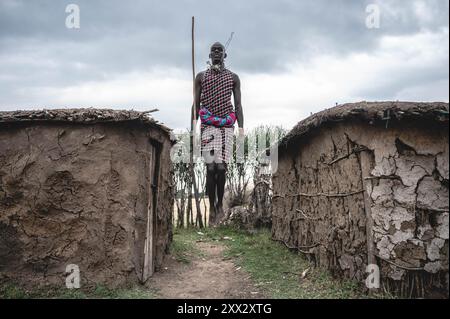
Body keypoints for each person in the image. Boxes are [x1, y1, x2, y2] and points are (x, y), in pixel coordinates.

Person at [193, 41, 244, 225]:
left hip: (226, 124)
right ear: (209, 55)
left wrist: (241, 128)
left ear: (225, 55)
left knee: (221, 167)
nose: (216, 53)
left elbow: (238, 105)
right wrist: (193, 124)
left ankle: (219, 204)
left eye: (219, 50)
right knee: (210, 167)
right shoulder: (201, 77)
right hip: (207, 124)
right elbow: (196, 104)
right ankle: (212, 208)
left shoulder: (233, 78)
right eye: (213, 50)